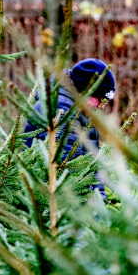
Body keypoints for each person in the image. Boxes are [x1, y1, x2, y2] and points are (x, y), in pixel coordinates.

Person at [23, 58, 116, 198]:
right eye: (100, 99)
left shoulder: (83, 111)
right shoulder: (62, 109)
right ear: (86, 89)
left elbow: (92, 164)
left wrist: (100, 201)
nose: (102, 105)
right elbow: (67, 166)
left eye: (106, 101)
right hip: (47, 198)